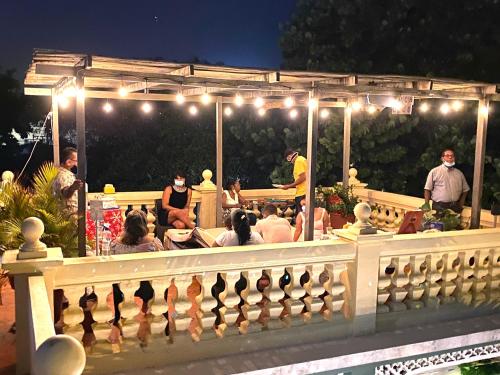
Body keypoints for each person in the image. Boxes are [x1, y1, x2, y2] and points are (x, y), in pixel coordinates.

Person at [424, 148, 470, 214]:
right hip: (439, 207)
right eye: (447, 155)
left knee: (454, 224)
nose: (450, 157)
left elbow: (466, 189)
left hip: (455, 207)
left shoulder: (459, 173)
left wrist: (461, 204)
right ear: (442, 158)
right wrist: (426, 205)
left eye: (452, 156)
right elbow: (427, 189)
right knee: (439, 224)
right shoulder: (435, 171)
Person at [52, 147, 83, 213]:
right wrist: (72, 188)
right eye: (76, 161)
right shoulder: (63, 175)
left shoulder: (63, 173)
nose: (77, 164)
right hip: (68, 216)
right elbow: (65, 192)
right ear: (68, 162)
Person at [281, 149, 307, 214]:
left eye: (288, 159)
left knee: (301, 217)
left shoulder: (298, 161)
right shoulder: (302, 159)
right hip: (305, 192)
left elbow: (303, 177)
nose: (290, 162)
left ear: (289, 156)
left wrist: (289, 186)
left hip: (302, 193)